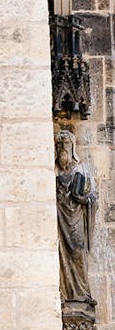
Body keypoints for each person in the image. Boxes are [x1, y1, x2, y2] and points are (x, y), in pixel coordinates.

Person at [56, 130, 95, 304]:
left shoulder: (80, 171)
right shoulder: (54, 174)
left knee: (78, 250)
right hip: (61, 219)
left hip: (76, 219)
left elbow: (91, 197)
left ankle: (83, 292)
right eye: (59, 146)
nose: (62, 149)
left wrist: (83, 199)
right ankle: (67, 292)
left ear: (72, 148)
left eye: (65, 145)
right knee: (62, 253)